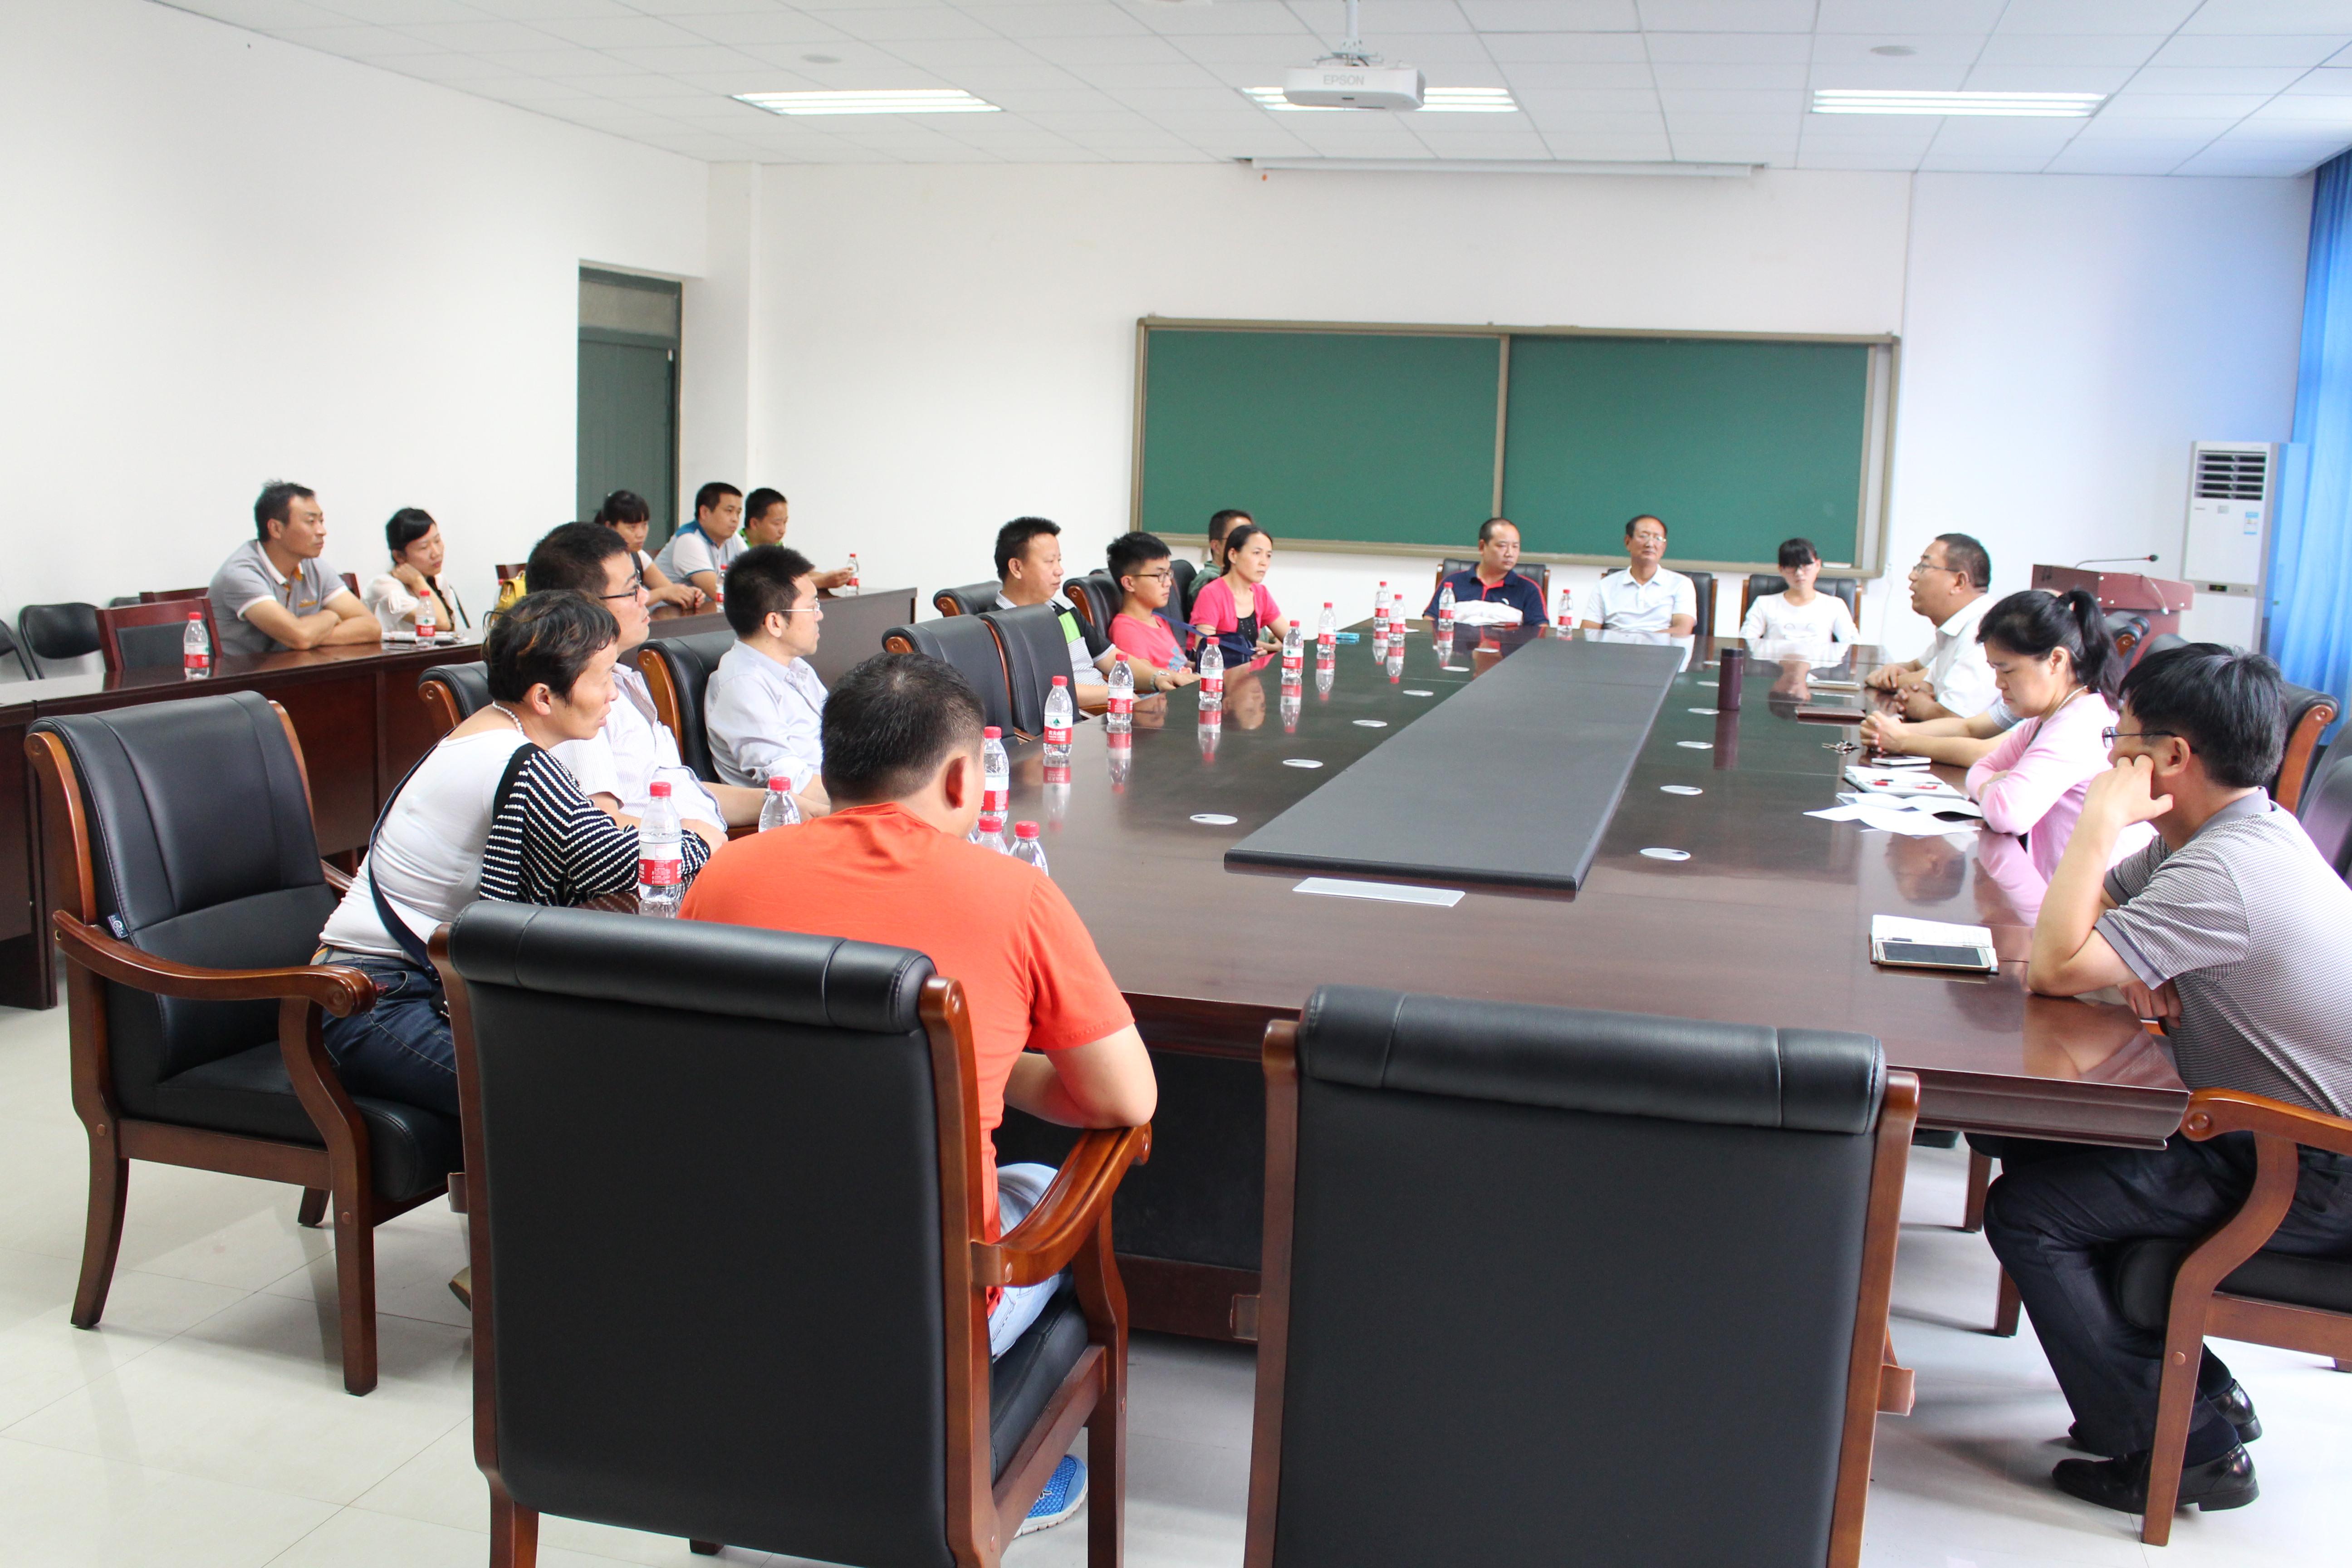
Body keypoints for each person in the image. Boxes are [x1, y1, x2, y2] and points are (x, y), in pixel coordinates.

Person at [680, 652, 1156, 1537]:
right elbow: (1125, 1101)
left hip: (742, 1271)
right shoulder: (1015, 895)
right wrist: (989, 1061)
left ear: (830, 768)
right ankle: (998, 1462)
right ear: (962, 778)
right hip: (927, 1301)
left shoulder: (724, 880)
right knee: (1031, 1184)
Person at [1990, 643, 2352, 1519]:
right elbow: (2080, 930)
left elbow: (2053, 965)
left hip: (2310, 1171)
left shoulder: (2221, 873)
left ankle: (2185, 1450)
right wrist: (2122, 963)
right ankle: (2203, 1396)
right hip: (2269, 1140)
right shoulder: (2232, 833)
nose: (2106, 758)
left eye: (2116, 742)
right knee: (2031, 1142)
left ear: (2170, 757)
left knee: (2029, 1213)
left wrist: (2094, 823)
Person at [314, 591, 721, 1118]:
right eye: (603, 679)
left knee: (619, 1060)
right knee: (576, 1101)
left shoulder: (491, 733)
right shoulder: (516, 760)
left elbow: (587, 841)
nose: (613, 695)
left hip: (419, 983)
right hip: (373, 1001)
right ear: (544, 697)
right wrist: (701, 838)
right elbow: (611, 859)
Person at [523, 522, 762, 832]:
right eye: (631, 589)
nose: (645, 597)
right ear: (583, 609)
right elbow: (602, 829)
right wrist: (696, 839)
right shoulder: (575, 704)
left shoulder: (622, 679)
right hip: (675, 855)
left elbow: (681, 791)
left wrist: (781, 801)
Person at [1958, 590, 2150, 881]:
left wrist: (1995, 785)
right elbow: (1982, 768)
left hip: (2094, 897)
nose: (1999, 684)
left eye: (2006, 670)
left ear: (2056, 660)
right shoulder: (2052, 715)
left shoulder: (2080, 724)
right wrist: (1996, 783)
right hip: (2061, 885)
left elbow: (2007, 814)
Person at [703, 543, 832, 812]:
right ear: (775, 623)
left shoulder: (797, 668)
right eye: (812, 607)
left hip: (840, 799)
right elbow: (791, 784)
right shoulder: (742, 685)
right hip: (805, 819)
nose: (819, 615)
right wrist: (871, 799)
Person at [992, 517, 1184, 696]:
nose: (1060, 571)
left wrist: (1158, 678)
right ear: (1017, 568)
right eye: (1050, 562)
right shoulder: (999, 628)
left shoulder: (1063, 608)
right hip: (1078, 713)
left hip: (1109, 702)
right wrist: (1118, 694)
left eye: (1059, 561)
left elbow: (1111, 658)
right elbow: (1043, 692)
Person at [208, 481, 381, 656]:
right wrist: (330, 616)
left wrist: (310, 636)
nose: (322, 531)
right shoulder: (241, 574)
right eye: (311, 522)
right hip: (243, 672)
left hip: (295, 667)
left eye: (321, 521)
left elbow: (371, 627)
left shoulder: (312, 565)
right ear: (276, 529)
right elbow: (300, 637)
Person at [1866, 533, 1999, 722]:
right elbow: (1919, 672)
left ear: (1959, 582)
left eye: (1924, 567)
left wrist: (1919, 705)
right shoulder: (1956, 626)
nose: (1912, 576)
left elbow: (1954, 718)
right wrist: (1892, 674)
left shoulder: (1983, 632)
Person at [1189, 523, 1293, 671]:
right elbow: (1205, 652)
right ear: (1233, 555)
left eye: (1268, 556)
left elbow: (1292, 639)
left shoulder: (1260, 593)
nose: (1264, 562)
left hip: (1248, 676)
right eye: (1257, 553)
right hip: (1217, 679)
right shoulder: (1212, 594)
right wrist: (1245, 658)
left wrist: (1258, 654)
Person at [1102, 531, 1200, 684]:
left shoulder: (1158, 620)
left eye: (1168, 574)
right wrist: (1196, 679)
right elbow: (1145, 673)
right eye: (1159, 575)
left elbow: (1180, 665)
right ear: (1129, 583)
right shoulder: (1126, 629)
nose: (1168, 583)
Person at [1580, 515, 1696, 636]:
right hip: (1615, 647)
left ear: (1664, 547)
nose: (1650, 544)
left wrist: (1636, 642)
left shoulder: (1681, 584)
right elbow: (1587, 632)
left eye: (1658, 538)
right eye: (1644, 536)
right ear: (1628, 542)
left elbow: (1682, 630)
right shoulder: (1605, 585)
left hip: (1661, 648)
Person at [1423, 517, 1548, 627]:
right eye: (1502, 546)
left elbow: (1540, 633)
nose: (1510, 554)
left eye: (1515, 547)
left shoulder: (1529, 590)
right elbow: (1430, 621)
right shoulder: (1452, 583)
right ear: (1482, 547)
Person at [363, 508, 468, 637]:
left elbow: (450, 632)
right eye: (424, 548)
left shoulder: (438, 579)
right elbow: (442, 623)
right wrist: (417, 581)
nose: (436, 553)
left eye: (437, 541)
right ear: (399, 556)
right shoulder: (384, 586)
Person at [595, 490, 703, 614]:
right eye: (632, 527)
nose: (641, 534)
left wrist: (689, 595)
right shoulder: (599, 560)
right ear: (610, 527)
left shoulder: (638, 556)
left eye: (644, 525)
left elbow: (669, 590)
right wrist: (662, 593)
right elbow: (618, 604)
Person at [1740, 538, 1858, 647]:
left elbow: (1853, 645)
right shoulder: (1764, 604)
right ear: (1781, 570)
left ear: (1818, 565)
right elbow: (1746, 642)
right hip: (1773, 663)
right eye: (1792, 567)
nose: (1799, 573)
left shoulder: (1834, 605)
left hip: (1819, 663)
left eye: (1806, 566)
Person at [743, 487, 855, 591]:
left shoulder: (777, 547)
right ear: (754, 523)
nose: (783, 530)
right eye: (777, 523)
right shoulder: (738, 547)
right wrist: (822, 582)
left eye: (785, 522)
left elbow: (801, 573)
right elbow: (771, 587)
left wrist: (836, 577)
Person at [653, 481, 747, 599]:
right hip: (666, 610)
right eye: (729, 511)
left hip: (702, 609)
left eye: (738, 513)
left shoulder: (733, 538)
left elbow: (757, 574)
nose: (735, 519)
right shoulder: (688, 540)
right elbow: (719, 593)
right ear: (705, 512)